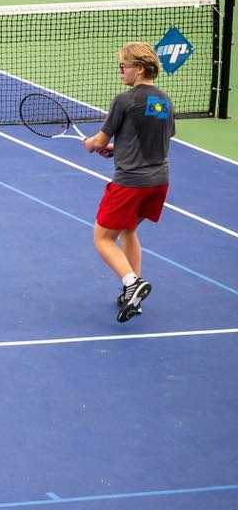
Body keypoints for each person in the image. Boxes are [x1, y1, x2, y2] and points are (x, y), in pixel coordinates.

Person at [83, 42, 174, 323]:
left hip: (131, 183)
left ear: (141, 69)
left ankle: (131, 282)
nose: (120, 71)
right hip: (159, 181)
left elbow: (99, 141)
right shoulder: (165, 101)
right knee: (128, 230)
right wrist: (120, 149)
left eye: (124, 66)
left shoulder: (124, 100)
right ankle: (131, 296)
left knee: (102, 238)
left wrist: (92, 144)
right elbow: (158, 138)